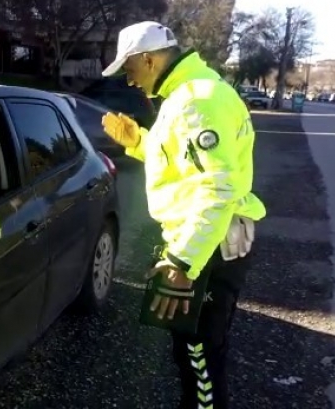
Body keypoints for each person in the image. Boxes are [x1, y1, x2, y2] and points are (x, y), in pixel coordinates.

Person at [100, 21, 266, 409]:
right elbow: (185, 165)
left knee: (200, 359)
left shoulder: (196, 100)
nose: (129, 80)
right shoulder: (191, 92)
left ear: (148, 58)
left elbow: (218, 187)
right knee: (194, 354)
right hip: (204, 242)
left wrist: (181, 261)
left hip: (206, 248)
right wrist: (138, 142)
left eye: (130, 70)